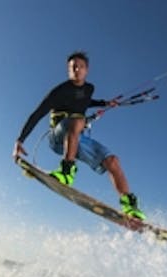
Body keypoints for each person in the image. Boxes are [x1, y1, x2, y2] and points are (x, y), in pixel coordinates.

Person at [13, 51, 146, 220]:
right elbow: (37, 114)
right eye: (73, 67)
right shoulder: (59, 92)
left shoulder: (89, 89)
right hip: (58, 137)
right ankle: (66, 171)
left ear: (87, 70)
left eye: (80, 66)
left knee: (112, 160)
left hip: (78, 139)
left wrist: (105, 103)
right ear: (68, 70)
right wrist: (20, 140)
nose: (77, 69)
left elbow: (84, 101)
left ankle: (129, 206)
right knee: (77, 120)